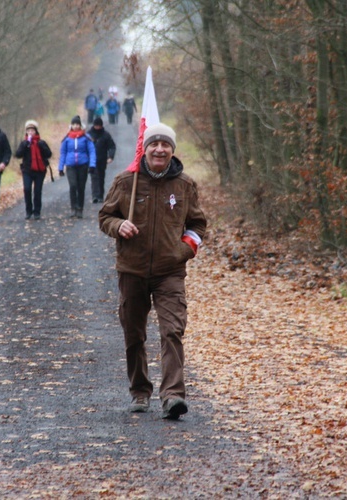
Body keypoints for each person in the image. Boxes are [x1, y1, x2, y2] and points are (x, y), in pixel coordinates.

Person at [98, 123, 207, 420]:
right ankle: (140, 391)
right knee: (134, 334)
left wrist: (184, 250)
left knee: (172, 330)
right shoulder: (126, 182)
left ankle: (173, 396)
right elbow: (105, 216)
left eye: (165, 145)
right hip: (131, 270)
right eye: (154, 144)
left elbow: (197, 225)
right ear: (145, 149)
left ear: (172, 150)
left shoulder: (185, 185)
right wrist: (118, 225)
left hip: (169, 271)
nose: (160, 149)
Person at [59, 115, 96, 218]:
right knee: (73, 186)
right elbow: (63, 153)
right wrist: (60, 167)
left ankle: (80, 208)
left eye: (77, 124)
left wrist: (92, 165)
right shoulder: (67, 138)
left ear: (80, 125)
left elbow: (92, 151)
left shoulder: (86, 137)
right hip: (70, 165)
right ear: (71, 125)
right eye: (74, 124)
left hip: (83, 165)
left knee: (81, 187)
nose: (75, 126)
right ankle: (73, 208)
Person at [15, 120, 52, 220]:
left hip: (40, 170)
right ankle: (28, 210)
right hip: (27, 170)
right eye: (29, 130)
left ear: (36, 131)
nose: (30, 132)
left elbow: (49, 154)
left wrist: (42, 147)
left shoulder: (41, 142)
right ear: (26, 132)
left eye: (32, 130)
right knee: (27, 189)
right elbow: (17, 154)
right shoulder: (24, 143)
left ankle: (37, 211)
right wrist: (25, 145)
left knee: (37, 191)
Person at [87, 117, 116, 203]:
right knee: (94, 177)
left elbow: (112, 146)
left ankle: (100, 196)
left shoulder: (106, 135)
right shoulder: (89, 135)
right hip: (92, 161)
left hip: (102, 160)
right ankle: (95, 196)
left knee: (101, 177)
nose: (97, 127)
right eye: (96, 126)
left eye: (99, 126)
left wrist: (110, 157)